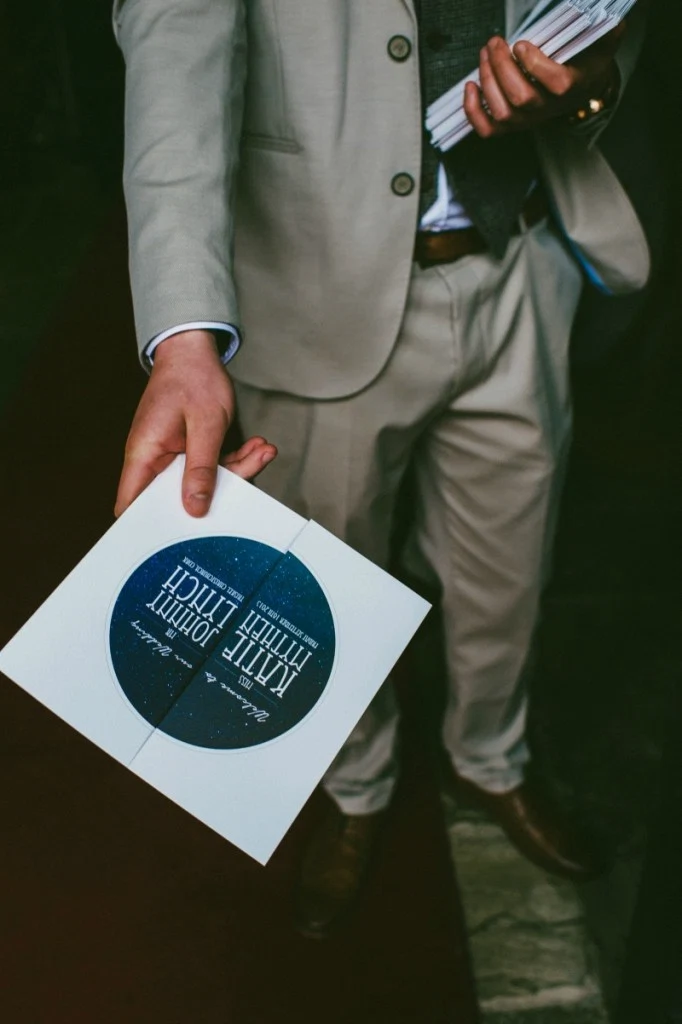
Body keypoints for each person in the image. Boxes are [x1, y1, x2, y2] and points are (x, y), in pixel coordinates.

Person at [112, 0, 649, 937]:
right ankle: (356, 784)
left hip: (522, 257)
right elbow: (173, 69)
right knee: (321, 583)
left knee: (511, 566)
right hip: (311, 286)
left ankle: (491, 760)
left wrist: (589, 80)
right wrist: (185, 335)